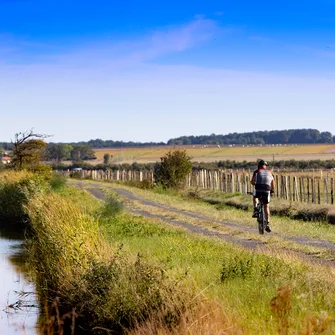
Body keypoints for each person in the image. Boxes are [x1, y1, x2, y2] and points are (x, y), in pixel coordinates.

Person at [251, 160, 275, 232]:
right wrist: (272, 190)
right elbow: (273, 183)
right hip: (267, 189)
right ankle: (267, 223)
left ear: (259, 166)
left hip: (258, 188)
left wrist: (253, 183)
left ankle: (255, 209)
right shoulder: (270, 172)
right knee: (266, 206)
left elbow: (253, 181)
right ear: (265, 166)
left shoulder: (256, 172)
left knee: (255, 196)